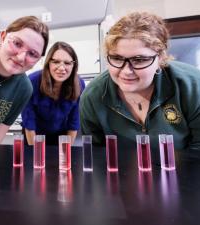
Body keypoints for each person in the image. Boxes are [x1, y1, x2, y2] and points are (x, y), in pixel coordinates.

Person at [80, 11, 200, 150]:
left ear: (160, 58)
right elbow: (96, 155)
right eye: (117, 58)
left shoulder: (192, 87)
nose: (126, 71)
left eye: (139, 60)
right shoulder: (93, 96)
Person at [21, 41, 85, 145]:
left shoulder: (79, 84)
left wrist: (66, 153)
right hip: (34, 135)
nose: (61, 68)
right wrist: (35, 154)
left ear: (74, 65)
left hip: (62, 136)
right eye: (56, 62)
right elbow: (29, 123)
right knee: (35, 160)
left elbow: (74, 123)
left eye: (67, 63)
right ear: (48, 63)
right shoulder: (31, 82)